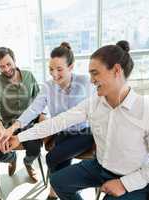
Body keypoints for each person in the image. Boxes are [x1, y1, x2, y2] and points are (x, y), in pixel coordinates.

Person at [5, 41, 149, 199]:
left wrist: (124, 184)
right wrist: (18, 137)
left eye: (95, 73)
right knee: (57, 181)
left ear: (116, 70)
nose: (91, 80)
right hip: (100, 167)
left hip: (133, 177)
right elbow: (58, 122)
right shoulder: (93, 103)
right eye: (90, 74)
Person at [5, 42, 94, 199]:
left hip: (84, 133)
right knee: (59, 163)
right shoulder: (48, 86)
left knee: (51, 158)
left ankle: (59, 191)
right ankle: (57, 192)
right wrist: (13, 128)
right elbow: (34, 109)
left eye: (59, 69)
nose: (54, 74)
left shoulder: (86, 82)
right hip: (61, 131)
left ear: (71, 67)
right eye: (51, 69)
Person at [0, 47, 44, 182]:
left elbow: (39, 99)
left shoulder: (29, 76)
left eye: (8, 64)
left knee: (35, 148)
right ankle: (12, 159)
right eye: (1, 67)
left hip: (28, 122)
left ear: (14, 60)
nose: (6, 69)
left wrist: (42, 115)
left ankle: (28, 163)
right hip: (6, 126)